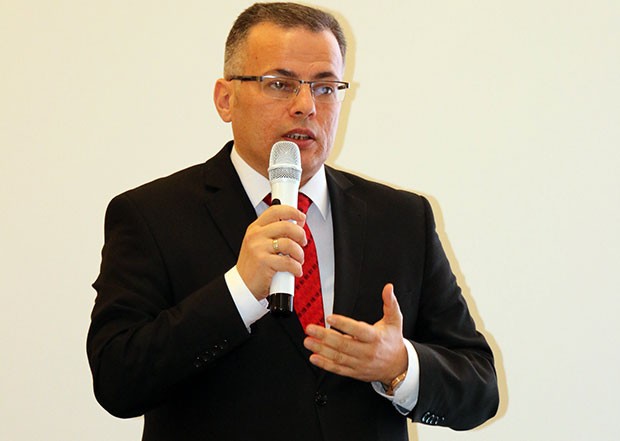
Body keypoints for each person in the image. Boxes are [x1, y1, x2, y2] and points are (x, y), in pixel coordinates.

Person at [87, 3, 499, 440]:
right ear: (225, 99)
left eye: (325, 88)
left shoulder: (401, 218)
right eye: (280, 84)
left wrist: (399, 366)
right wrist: (238, 291)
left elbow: (479, 388)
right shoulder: (152, 215)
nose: (306, 106)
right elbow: (117, 381)